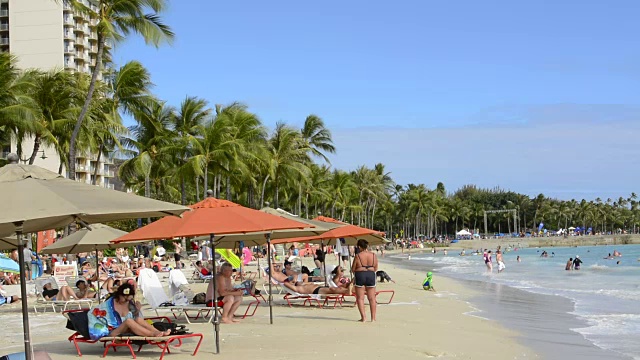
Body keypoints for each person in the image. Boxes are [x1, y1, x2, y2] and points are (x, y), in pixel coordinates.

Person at [87, 283, 169, 340]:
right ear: (119, 295)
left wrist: (138, 310)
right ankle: (152, 334)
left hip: (125, 329)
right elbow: (92, 313)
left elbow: (138, 319)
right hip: (112, 332)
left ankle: (158, 332)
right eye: (125, 298)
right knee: (129, 321)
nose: (127, 301)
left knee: (138, 319)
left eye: (128, 299)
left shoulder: (130, 304)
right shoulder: (107, 306)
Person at [351, 239, 378, 322]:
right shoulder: (373, 255)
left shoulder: (358, 256)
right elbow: (376, 267)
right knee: (372, 298)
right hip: (371, 274)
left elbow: (353, 268)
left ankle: (364, 318)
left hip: (360, 274)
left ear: (359, 247)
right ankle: (373, 318)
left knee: (360, 298)